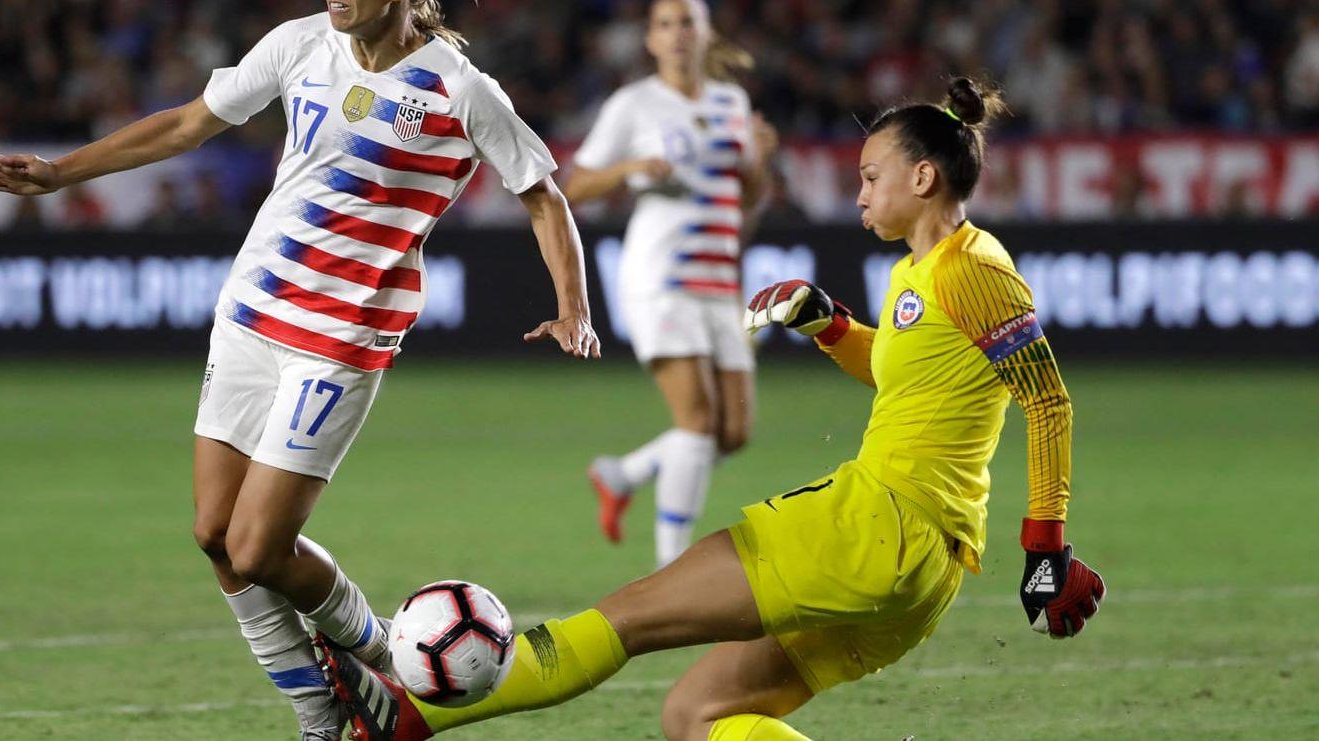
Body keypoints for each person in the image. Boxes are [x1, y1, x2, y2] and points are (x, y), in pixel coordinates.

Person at [320, 76, 1106, 741]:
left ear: (924, 179)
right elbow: (907, 377)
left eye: (871, 176)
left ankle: (406, 714)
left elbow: (1048, 402)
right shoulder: (919, 273)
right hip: (916, 563)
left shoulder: (972, 272)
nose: (859, 192)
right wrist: (830, 325)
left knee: (627, 616)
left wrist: (1047, 548)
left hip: (880, 525)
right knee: (699, 713)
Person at [0, 2, 600, 739]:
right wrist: (58, 172)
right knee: (213, 533)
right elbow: (186, 123)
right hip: (251, 315)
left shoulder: (462, 89)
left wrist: (572, 307)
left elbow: (543, 198)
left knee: (256, 547)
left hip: (341, 339)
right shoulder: (299, 44)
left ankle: (391, 652)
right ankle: (319, 711)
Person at [567, 0, 777, 567]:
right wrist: (628, 169)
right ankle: (672, 569)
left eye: (688, 21)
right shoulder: (634, 104)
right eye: (666, 24)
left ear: (707, 34)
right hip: (660, 276)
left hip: (718, 280)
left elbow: (747, 201)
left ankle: (623, 474)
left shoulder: (731, 102)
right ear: (651, 41)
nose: (679, 33)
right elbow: (575, 183)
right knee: (698, 422)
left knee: (733, 431)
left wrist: (759, 161)